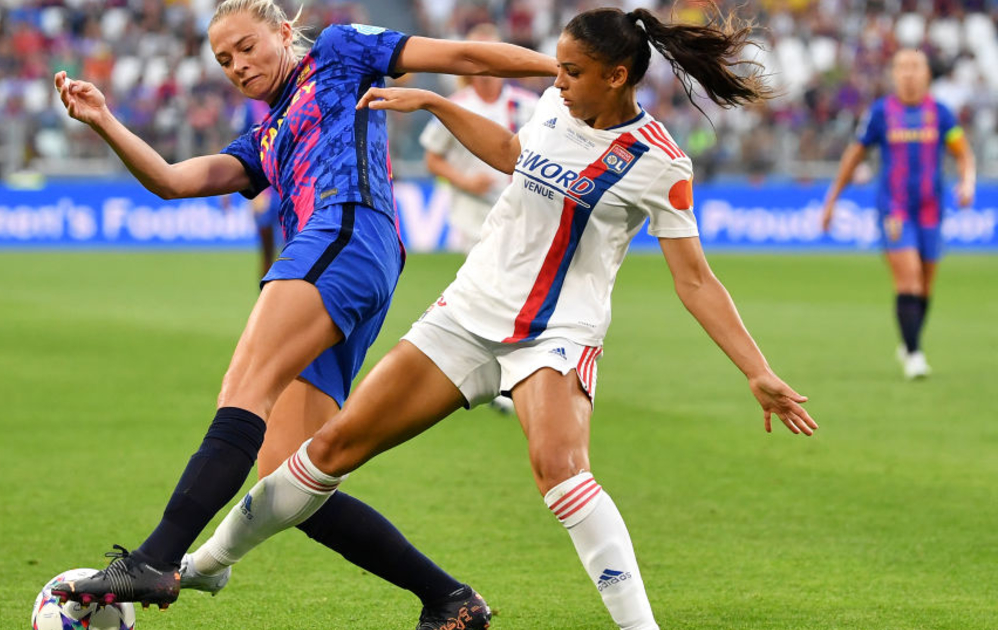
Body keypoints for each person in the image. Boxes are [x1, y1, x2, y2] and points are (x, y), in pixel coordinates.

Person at [181, 7, 819, 630]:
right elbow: (513, 153)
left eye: (571, 72)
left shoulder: (659, 160)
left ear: (616, 77)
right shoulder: (554, 107)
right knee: (327, 452)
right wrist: (435, 103)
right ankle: (205, 566)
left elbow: (696, 279)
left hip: (555, 335)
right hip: (466, 315)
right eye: (558, 68)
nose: (556, 81)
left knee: (560, 471)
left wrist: (756, 370)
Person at [49, 0, 557, 626]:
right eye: (224, 59)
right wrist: (103, 120)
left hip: (344, 230)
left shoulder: (339, 51)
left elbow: (464, 56)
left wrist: (562, 68)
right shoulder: (265, 137)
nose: (238, 65)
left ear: (284, 32)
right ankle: (449, 600)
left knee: (245, 388)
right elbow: (173, 181)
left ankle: (155, 559)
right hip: (356, 258)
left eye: (247, 47)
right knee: (293, 480)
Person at [821, 48, 975, 380]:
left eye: (915, 66)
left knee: (925, 285)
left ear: (927, 74)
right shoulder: (880, 113)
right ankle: (915, 355)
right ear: (893, 74)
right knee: (909, 277)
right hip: (894, 208)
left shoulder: (941, 114)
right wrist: (832, 200)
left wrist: (967, 182)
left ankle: (909, 341)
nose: (908, 73)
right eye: (902, 67)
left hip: (931, 208)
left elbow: (963, 153)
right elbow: (854, 156)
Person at [419, 23, 539, 254]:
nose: (486, 62)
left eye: (492, 53)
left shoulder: (528, 104)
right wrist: (466, 182)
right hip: (473, 214)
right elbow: (432, 160)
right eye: (478, 55)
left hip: (520, 211)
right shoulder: (454, 106)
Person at [232, 97, 283, 279]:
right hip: (264, 188)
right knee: (266, 251)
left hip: (291, 185)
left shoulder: (296, 97)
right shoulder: (250, 107)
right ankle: (265, 287)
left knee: (294, 249)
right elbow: (237, 145)